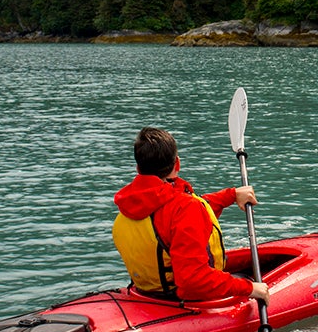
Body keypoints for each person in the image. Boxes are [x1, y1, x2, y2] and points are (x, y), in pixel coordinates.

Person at [113, 127, 270, 305]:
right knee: (252, 277)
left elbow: (176, 218)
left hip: (146, 295)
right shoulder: (184, 209)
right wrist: (250, 288)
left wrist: (231, 195)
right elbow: (193, 283)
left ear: (138, 168)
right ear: (177, 164)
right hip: (184, 299)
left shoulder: (129, 206)